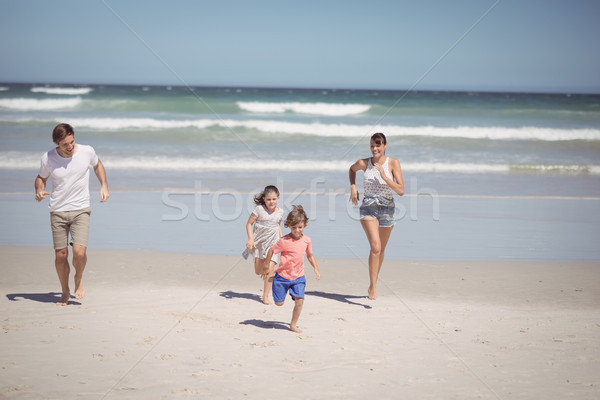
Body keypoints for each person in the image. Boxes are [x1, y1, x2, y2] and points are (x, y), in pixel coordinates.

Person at [35, 123, 109, 306]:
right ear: (56, 143)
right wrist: (39, 190)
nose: (70, 147)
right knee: (60, 255)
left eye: (72, 142)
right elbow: (41, 178)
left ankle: (79, 277)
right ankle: (65, 290)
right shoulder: (48, 158)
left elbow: (98, 165)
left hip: (81, 209)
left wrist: (104, 185)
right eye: (65, 144)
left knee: (79, 252)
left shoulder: (86, 151)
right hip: (58, 211)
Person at [349, 132, 404, 300]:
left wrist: (385, 176)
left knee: (381, 250)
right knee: (376, 247)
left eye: (378, 145)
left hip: (387, 208)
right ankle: (373, 287)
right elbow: (351, 170)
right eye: (372, 145)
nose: (375, 148)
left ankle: (373, 283)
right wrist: (353, 187)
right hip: (368, 207)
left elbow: (401, 191)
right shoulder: (364, 163)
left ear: (385, 146)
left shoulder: (393, 163)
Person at [265, 205, 320, 333]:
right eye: (293, 227)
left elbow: (310, 255)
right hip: (282, 277)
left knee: (300, 301)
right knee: (279, 303)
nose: (296, 230)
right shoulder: (284, 241)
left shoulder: (307, 240)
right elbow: (271, 250)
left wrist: (316, 269)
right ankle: (275, 282)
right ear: (289, 225)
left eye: (299, 227)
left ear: (304, 225)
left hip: (299, 277)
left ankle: (293, 324)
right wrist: (267, 266)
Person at [245, 185, 283, 304]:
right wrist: (251, 239)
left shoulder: (280, 212)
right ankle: (264, 270)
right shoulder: (259, 210)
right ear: (264, 199)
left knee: (270, 270)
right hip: (260, 243)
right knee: (258, 271)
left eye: (274, 199)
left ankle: (265, 296)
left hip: (274, 243)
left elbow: (278, 226)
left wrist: (282, 242)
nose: (271, 202)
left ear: (278, 198)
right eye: (268, 199)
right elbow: (249, 224)